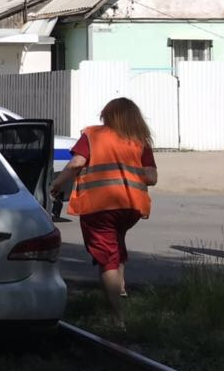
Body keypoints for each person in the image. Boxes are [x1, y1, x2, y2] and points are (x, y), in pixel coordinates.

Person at [50, 97, 157, 327]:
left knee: (107, 257)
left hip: (99, 206)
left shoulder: (92, 135)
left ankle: (117, 318)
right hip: (131, 207)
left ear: (107, 115)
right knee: (116, 244)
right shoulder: (139, 141)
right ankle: (121, 288)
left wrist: (57, 184)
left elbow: (77, 163)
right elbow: (152, 178)